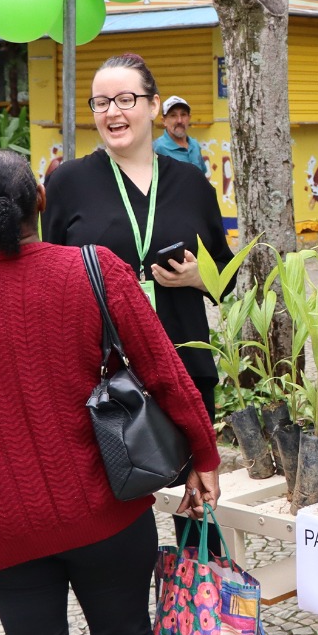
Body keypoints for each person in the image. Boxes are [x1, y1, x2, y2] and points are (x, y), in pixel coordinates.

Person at [0, 150, 221, 635]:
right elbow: (165, 371)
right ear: (41, 199)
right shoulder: (95, 268)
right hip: (102, 506)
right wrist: (203, 456)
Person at [43, 53, 232, 548]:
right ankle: (126, 599)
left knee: (197, 516)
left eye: (126, 99)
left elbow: (226, 276)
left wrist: (200, 278)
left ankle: (197, 597)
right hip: (105, 381)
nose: (113, 112)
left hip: (184, 367)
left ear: (153, 106)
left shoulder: (191, 183)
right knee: (116, 523)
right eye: (101, 102)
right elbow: (48, 278)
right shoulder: (67, 183)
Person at [154, 94, 209, 175]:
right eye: (173, 115)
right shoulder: (157, 148)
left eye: (183, 114)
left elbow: (203, 176)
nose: (179, 121)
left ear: (189, 118)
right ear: (164, 121)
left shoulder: (194, 145)